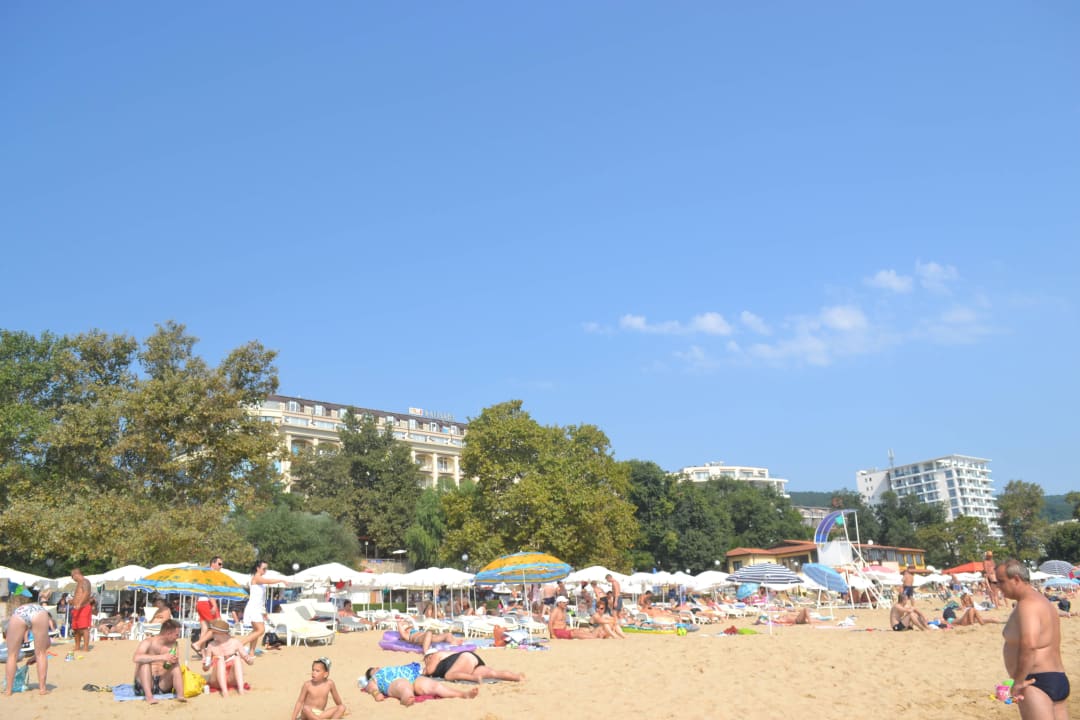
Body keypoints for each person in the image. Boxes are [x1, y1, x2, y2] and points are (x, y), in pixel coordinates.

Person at [998, 558, 1071, 716]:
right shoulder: (1042, 602)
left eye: (1001, 581)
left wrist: (1018, 682)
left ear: (1016, 579)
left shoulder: (1028, 605)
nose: (998, 587)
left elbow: (1029, 645)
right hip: (1055, 677)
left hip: (1036, 681)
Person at [361, 662, 478, 706]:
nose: (377, 668)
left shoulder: (390, 667)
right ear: (371, 674)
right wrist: (376, 694)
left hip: (413, 677)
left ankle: (463, 694)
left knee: (435, 686)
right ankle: (407, 699)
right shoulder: (377, 676)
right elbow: (370, 686)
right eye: (373, 669)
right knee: (404, 686)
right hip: (392, 682)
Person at [3, 597, 53, 696]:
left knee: (12, 655)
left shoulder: (16, 611)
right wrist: (36, 656)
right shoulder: (40, 609)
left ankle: (8, 690)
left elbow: (8, 637)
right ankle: (42, 689)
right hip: (39, 612)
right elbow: (48, 643)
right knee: (41, 654)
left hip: (20, 615)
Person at [131, 618, 185, 704]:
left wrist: (172, 660)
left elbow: (170, 665)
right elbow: (136, 658)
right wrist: (162, 657)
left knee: (176, 665)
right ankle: (149, 697)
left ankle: (180, 695)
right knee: (145, 663)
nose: (177, 637)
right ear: (168, 633)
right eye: (176, 634)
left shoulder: (174, 645)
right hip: (144, 684)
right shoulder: (148, 642)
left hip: (162, 684)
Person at [242, 560, 287, 656]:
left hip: (257, 608)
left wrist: (264, 610)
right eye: (264, 568)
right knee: (260, 630)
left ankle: (251, 652)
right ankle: (239, 646)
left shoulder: (259, 579)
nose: (265, 570)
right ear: (258, 568)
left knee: (256, 631)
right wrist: (281, 580)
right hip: (253, 608)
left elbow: (261, 598)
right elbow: (269, 581)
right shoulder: (256, 578)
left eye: (266, 568)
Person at [203, 618, 255, 697]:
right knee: (220, 661)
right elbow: (205, 669)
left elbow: (250, 662)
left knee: (237, 659)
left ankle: (241, 689)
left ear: (222, 633)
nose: (212, 635)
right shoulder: (211, 645)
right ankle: (224, 692)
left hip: (231, 678)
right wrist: (206, 664)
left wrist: (249, 659)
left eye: (214, 633)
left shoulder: (235, 643)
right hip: (216, 680)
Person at [421, 648, 524, 682]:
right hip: (469, 659)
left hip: (465, 658)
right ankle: (516, 677)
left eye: (425, 661)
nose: (425, 663)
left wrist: (424, 670)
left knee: (449, 675)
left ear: (428, 657)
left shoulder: (436, 655)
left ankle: (474, 678)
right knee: (493, 673)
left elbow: (429, 670)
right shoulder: (447, 654)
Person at [191, 556, 224, 655]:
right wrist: (214, 605)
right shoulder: (210, 574)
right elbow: (210, 591)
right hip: (207, 602)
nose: (221, 566)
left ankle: (202, 652)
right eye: (219, 564)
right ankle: (198, 644)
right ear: (213, 564)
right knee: (219, 627)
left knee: (205, 628)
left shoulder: (203, 574)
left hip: (201, 602)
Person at [395, 617, 462, 654]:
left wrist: (407, 620)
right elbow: (401, 630)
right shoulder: (407, 635)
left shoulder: (414, 630)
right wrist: (399, 621)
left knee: (448, 634)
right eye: (406, 627)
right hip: (419, 639)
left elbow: (412, 622)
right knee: (429, 633)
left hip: (429, 637)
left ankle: (453, 644)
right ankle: (426, 652)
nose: (408, 626)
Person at [70, 568, 93, 653]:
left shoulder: (85, 581)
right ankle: (77, 646)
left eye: (72, 577)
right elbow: (78, 595)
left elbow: (86, 593)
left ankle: (86, 647)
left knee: (84, 627)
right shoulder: (79, 583)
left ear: (75, 574)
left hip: (84, 607)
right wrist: (72, 601)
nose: (73, 579)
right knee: (75, 628)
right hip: (77, 608)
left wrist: (80, 603)